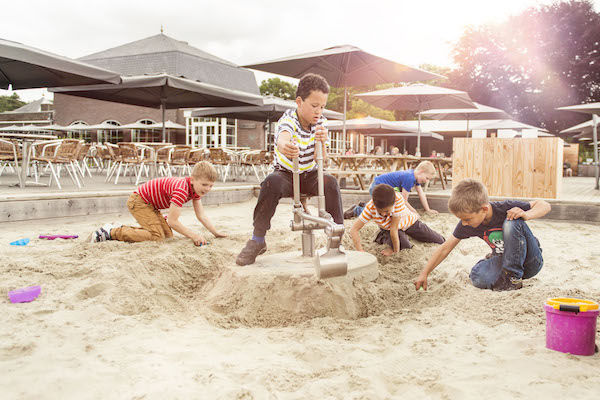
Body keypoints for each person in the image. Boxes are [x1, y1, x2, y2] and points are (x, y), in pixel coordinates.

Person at [236, 73, 343, 266]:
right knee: (271, 182)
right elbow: (282, 138)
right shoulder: (289, 119)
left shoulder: (321, 122)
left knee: (331, 182)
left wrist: (322, 142)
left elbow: (323, 158)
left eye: (322, 106)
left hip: (310, 173)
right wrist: (285, 146)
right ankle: (257, 239)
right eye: (314, 106)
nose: (318, 111)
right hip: (286, 174)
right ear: (299, 102)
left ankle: (337, 236)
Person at [414, 179, 551, 292]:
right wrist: (424, 273)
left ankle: (513, 278)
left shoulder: (504, 208)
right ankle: (506, 273)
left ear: (484, 209)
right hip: (503, 261)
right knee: (476, 276)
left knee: (512, 220)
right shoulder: (468, 224)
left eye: (467, 219)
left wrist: (526, 214)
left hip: (530, 261)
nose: (464, 223)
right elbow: (445, 248)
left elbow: (544, 205)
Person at [88, 161, 225, 245]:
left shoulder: (195, 190)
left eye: (211, 186)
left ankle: (120, 227)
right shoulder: (182, 189)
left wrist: (215, 232)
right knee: (156, 237)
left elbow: (201, 215)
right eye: (204, 184)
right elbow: (172, 221)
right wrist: (194, 235)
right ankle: (110, 232)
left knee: (168, 236)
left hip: (151, 206)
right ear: (192, 179)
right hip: (139, 201)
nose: (207, 189)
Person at [349, 184, 444, 256]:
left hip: (408, 223)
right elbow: (354, 229)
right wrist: (360, 251)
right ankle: (382, 236)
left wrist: (395, 251)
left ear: (393, 204)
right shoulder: (370, 208)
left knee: (439, 240)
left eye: (386, 211)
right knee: (405, 246)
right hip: (388, 228)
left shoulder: (398, 199)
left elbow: (393, 229)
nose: (383, 214)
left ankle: (391, 238)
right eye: (380, 211)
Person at [343, 161, 439, 219]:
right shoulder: (409, 178)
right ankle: (357, 211)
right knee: (382, 212)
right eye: (427, 178)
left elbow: (421, 193)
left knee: (387, 207)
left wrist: (428, 209)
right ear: (421, 172)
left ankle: (363, 205)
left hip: (379, 185)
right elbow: (404, 201)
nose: (426, 181)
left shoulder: (413, 176)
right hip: (378, 187)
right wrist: (414, 212)